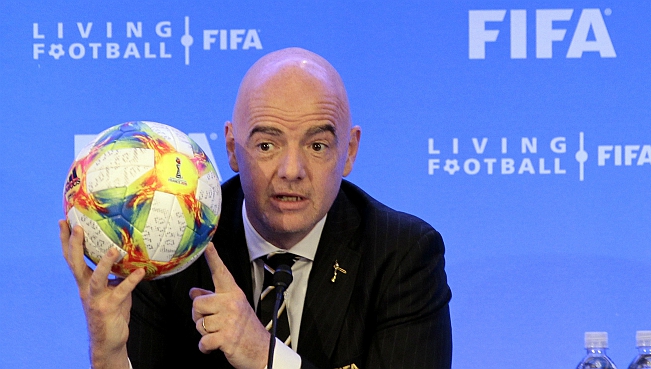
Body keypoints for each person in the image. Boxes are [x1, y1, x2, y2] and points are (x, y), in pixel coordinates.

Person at [60, 47, 452, 369]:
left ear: (348, 152)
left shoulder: (402, 253)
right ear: (232, 148)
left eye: (317, 146)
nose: (292, 172)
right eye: (267, 145)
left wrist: (263, 353)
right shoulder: (169, 242)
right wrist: (109, 354)